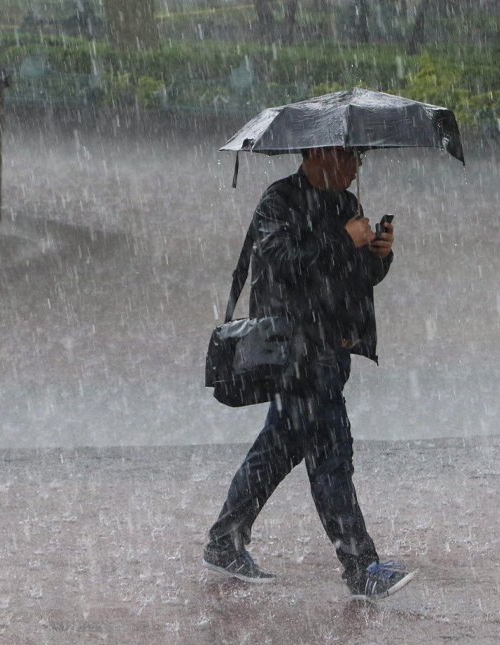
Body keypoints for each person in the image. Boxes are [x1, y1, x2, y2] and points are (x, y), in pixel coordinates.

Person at [203, 146, 415, 601]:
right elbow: (282, 265)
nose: (358, 165)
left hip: (333, 349)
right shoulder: (278, 201)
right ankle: (361, 567)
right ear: (319, 154)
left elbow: (356, 276)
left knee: (278, 448)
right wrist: (343, 240)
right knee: (331, 457)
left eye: (360, 157)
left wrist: (379, 254)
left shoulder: (346, 204)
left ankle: (226, 540)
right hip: (297, 352)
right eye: (350, 156)